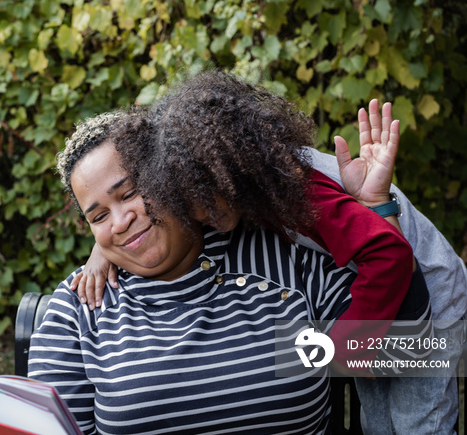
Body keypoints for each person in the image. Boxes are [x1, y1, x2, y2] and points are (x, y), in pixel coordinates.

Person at [70, 70, 467, 433]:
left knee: (420, 425)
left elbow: (389, 253)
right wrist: (101, 250)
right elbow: (131, 212)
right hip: (381, 296)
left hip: (426, 293)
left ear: (229, 178)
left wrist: (350, 345)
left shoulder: (301, 193)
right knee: (379, 423)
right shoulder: (216, 175)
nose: (205, 222)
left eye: (207, 209)